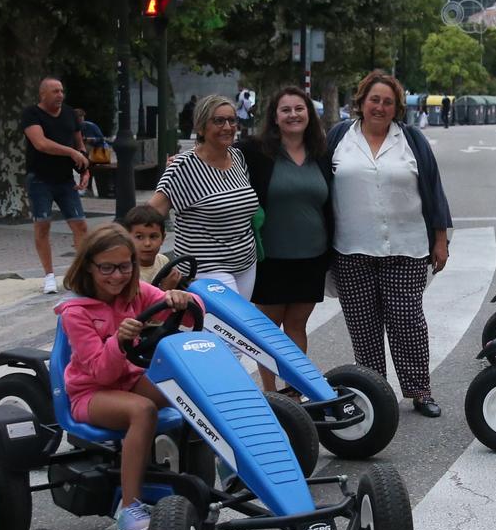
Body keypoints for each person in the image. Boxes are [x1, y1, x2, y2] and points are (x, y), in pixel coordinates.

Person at [58, 226, 198, 530]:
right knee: (143, 411)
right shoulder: (75, 313)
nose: (117, 276)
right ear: (89, 267)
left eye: (125, 266)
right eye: (106, 267)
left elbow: (193, 317)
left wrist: (183, 300)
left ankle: (231, 460)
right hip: (90, 394)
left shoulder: (137, 294)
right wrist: (119, 341)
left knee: (189, 381)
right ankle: (128, 509)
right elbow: (100, 373)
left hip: (130, 381)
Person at [326, 70, 453, 417]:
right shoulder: (339, 137)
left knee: (408, 322)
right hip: (351, 249)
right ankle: (373, 392)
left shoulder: (411, 140)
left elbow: (433, 188)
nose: (380, 107)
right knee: (363, 327)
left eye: (387, 102)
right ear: (362, 102)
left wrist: (440, 239)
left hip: (407, 246)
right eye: (374, 100)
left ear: (397, 107)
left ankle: (419, 390)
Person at [239, 85, 333, 392]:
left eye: (299, 109)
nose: (293, 115)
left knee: (297, 326)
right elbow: (215, 154)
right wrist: (182, 161)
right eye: (286, 110)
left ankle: (294, 389)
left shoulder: (322, 152)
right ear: (275, 117)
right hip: (272, 257)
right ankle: (270, 391)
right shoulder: (256, 151)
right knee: (268, 329)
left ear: (309, 114)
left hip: (312, 256)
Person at [147, 93, 261, 296]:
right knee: (229, 325)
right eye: (218, 120)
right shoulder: (183, 166)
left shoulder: (237, 156)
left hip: (245, 265)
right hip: (206, 268)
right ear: (201, 127)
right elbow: (149, 214)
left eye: (232, 120)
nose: (227, 127)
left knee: (238, 327)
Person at [22, 76, 90, 293]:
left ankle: (80, 272)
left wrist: (85, 169)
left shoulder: (70, 114)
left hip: (65, 180)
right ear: (43, 94)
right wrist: (69, 151)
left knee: (80, 225)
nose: (60, 95)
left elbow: (80, 145)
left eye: (61, 90)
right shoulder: (32, 114)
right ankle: (49, 275)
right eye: (55, 91)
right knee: (43, 225)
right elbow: (40, 143)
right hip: (40, 179)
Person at [119, 204, 186, 290]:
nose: (147, 243)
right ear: (128, 239)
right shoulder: (127, 271)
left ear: (163, 238)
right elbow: (138, 302)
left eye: (153, 236)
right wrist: (164, 289)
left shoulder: (163, 261)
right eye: (139, 237)